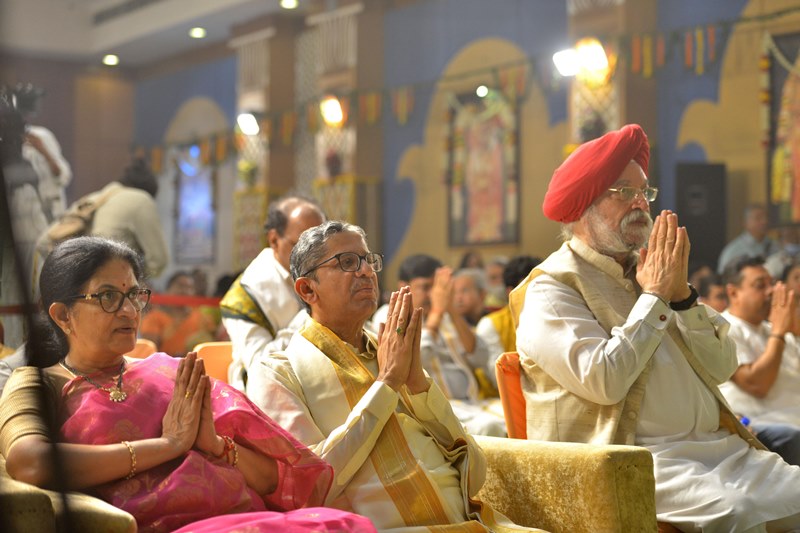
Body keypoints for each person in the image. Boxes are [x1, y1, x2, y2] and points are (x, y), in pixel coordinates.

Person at [512, 124, 800, 531]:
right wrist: (655, 299)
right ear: (584, 205)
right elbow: (604, 381)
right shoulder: (551, 288)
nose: (640, 204)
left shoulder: (651, 272)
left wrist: (682, 298)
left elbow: (722, 367)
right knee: (739, 512)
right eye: (623, 192)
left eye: (644, 193)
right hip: (630, 459)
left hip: (716, 450)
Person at [0, 236, 374, 533]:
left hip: (243, 516)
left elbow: (275, 479)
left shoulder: (174, 374)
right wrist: (167, 446)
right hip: (159, 526)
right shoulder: (37, 381)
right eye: (109, 297)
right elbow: (29, 462)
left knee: (347, 525)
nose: (130, 311)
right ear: (63, 314)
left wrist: (216, 447)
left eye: (134, 295)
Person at [246, 221, 534, 531]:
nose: (366, 272)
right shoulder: (277, 371)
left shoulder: (389, 349)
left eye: (369, 260)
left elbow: (474, 472)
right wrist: (386, 385)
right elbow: (309, 486)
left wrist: (418, 385)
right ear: (307, 288)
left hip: (474, 523)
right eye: (347, 262)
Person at [371, 255, 505, 435]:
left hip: (471, 402)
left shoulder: (447, 315)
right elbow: (416, 360)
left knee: (521, 416)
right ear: (403, 286)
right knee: (490, 426)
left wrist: (452, 312)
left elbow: (481, 357)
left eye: (437, 287)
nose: (433, 295)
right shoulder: (389, 315)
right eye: (425, 287)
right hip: (431, 408)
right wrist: (436, 313)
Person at [220, 196, 325, 391]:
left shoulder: (326, 272)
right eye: (303, 246)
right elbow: (259, 366)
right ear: (274, 240)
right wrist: (315, 312)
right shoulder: (245, 296)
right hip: (270, 397)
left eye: (321, 246)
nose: (315, 256)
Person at [719, 256, 800, 464]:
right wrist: (780, 332)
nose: (770, 291)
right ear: (733, 292)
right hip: (759, 427)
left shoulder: (774, 331)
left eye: (771, 284)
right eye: (759, 285)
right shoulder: (723, 328)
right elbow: (757, 384)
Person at [90, 158, 168, 278]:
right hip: (109, 274)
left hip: (77, 277)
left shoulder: (96, 198)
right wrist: (138, 281)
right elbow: (159, 260)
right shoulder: (141, 199)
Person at [476, 255, 540, 387]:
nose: (541, 293)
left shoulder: (553, 319)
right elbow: (497, 377)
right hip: (496, 398)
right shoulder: (490, 325)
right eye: (531, 287)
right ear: (511, 292)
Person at [12, 83, 72, 222]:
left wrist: (42, 149)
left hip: (49, 213)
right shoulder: (7, 141)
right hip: (21, 216)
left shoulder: (42, 136)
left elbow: (62, 174)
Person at [140, 271, 214, 356]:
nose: (185, 291)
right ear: (168, 290)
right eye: (180, 286)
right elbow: (150, 351)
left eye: (190, 288)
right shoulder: (154, 318)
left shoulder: (202, 317)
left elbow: (210, 349)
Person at [717, 203, 780, 273]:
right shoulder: (733, 251)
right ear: (746, 223)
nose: (764, 221)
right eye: (758, 218)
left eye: (766, 217)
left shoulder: (775, 245)